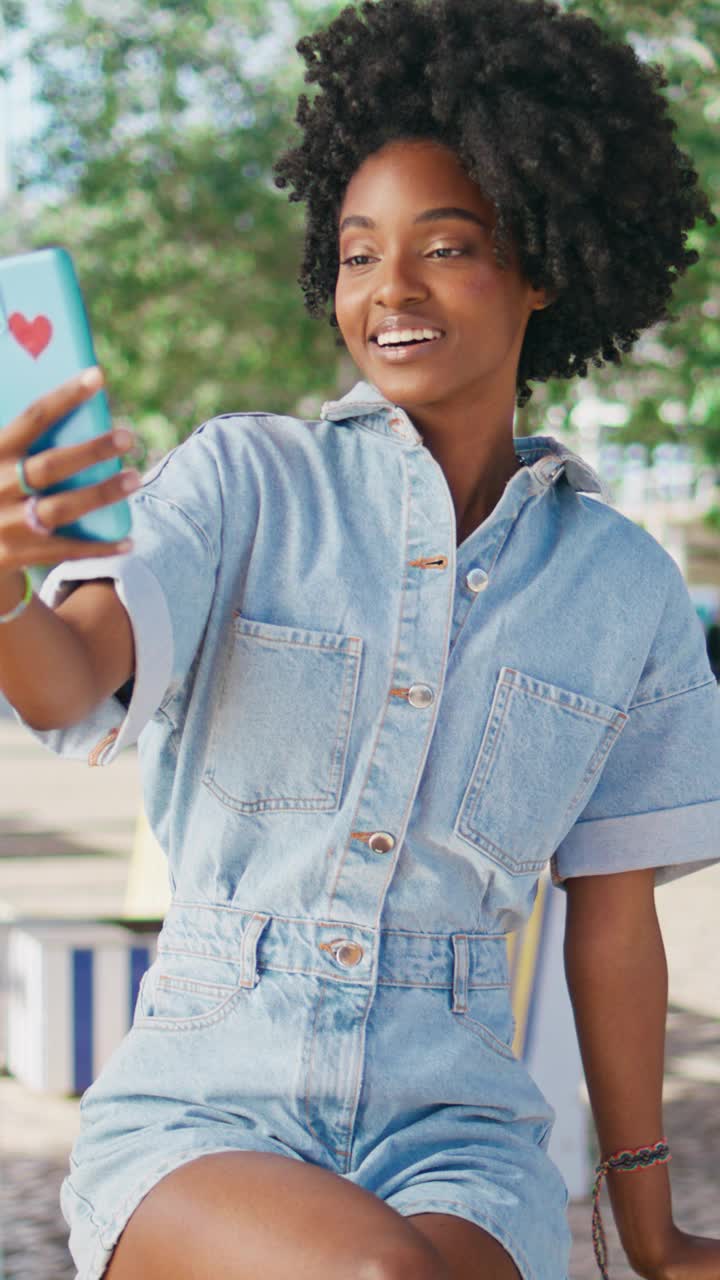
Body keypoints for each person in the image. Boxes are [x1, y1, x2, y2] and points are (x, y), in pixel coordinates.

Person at [0, 1, 718, 1277]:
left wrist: (648, 1224)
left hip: (458, 1127)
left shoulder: (626, 590)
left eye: (446, 248)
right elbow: (66, 680)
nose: (389, 291)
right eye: (356, 253)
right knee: (380, 1273)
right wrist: (5, 585)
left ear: (545, 264)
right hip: (207, 1103)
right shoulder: (243, 479)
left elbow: (613, 928)